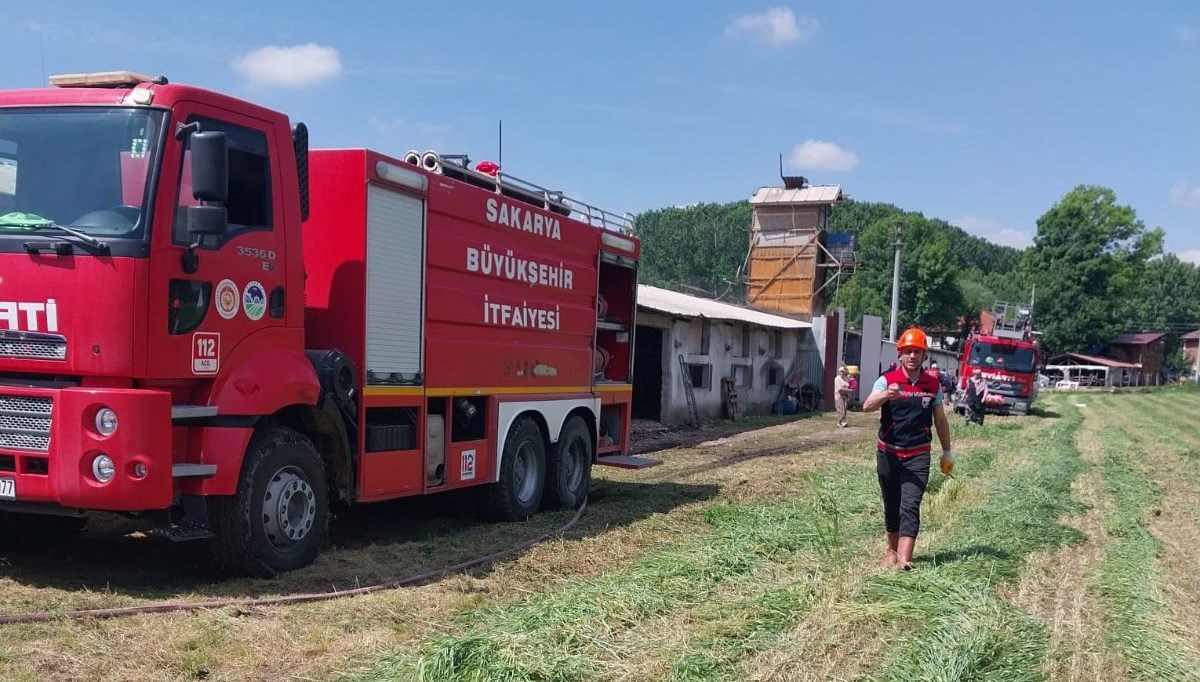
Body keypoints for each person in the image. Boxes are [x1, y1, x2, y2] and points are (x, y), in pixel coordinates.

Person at [863, 327, 953, 570]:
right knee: (891, 504)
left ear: (924, 356)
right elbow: (867, 405)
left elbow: (940, 420)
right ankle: (891, 553)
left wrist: (947, 452)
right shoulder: (887, 380)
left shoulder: (933, 385)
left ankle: (905, 560)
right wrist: (885, 396)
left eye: (917, 352)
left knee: (910, 505)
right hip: (889, 453)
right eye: (908, 351)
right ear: (900, 354)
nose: (912, 356)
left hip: (918, 455)